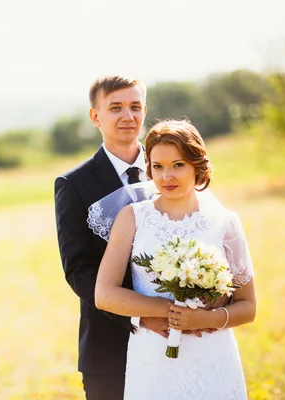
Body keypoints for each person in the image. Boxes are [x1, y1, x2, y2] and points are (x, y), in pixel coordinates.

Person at [93, 119, 257, 399]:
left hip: (213, 356)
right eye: (157, 166)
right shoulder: (132, 218)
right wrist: (170, 310)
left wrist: (208, 318)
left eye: (178, 164)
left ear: (197, 165)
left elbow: (248, 307)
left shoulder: (225, 222)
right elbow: (104, 294)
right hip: (153, 359)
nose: (166, 176)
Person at [54, 76, 171, 399]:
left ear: (144, 110)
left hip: (178, 335)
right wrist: (139, 314)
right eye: (115, 108)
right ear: (96, 117)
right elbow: (78, 269)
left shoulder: (170, 169)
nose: (127, 116)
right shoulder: (73, 184)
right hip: (110, 347)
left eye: (135, 107)